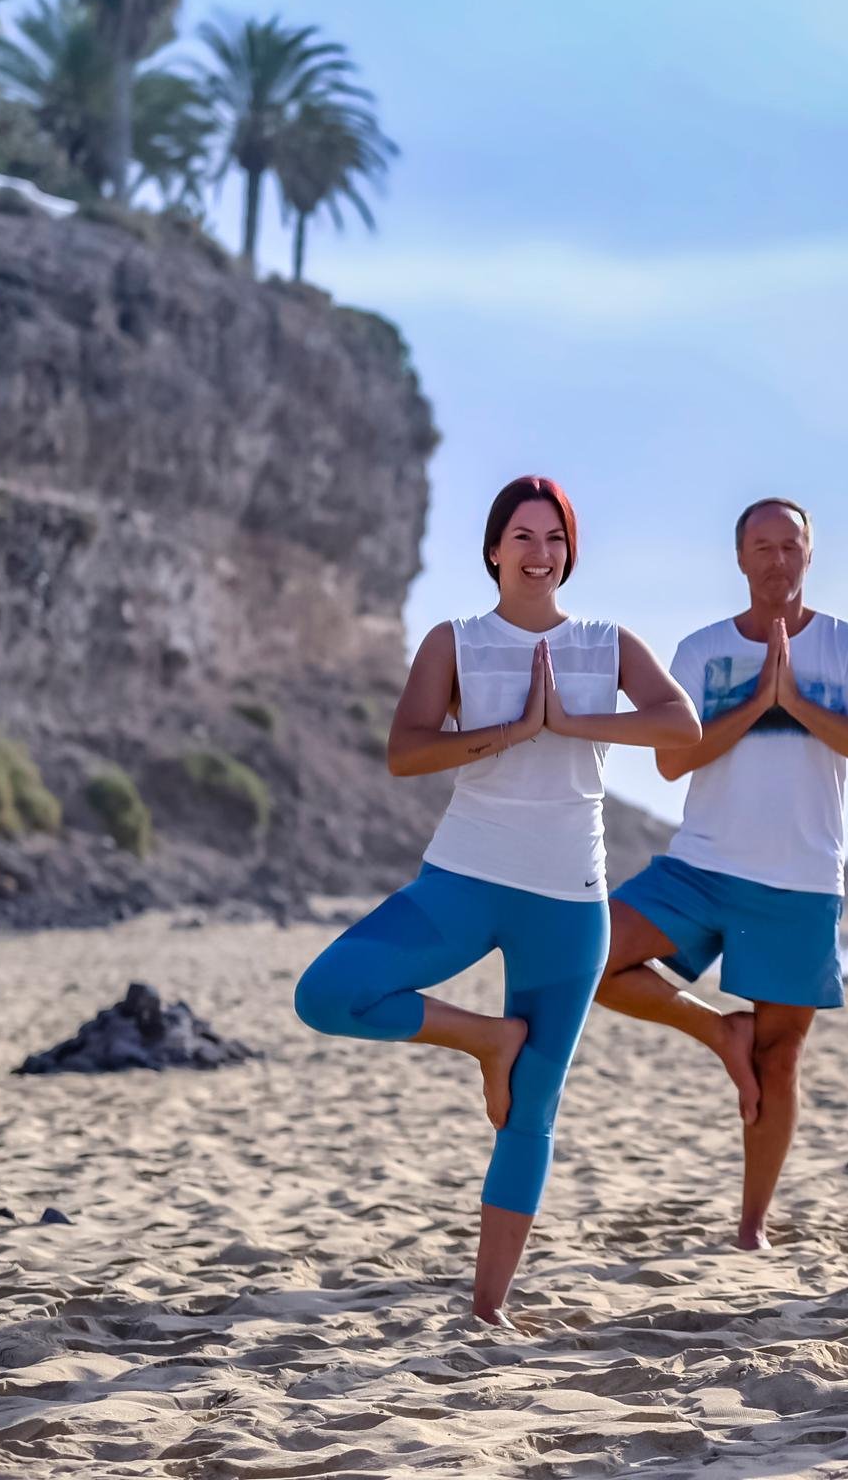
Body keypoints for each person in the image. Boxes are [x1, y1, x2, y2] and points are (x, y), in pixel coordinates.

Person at [294, 476, 700, 1325]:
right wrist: (512, 730)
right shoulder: (457, 641)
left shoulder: (605, 642)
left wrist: (572, 725)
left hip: (570, 898)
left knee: (533, 1109)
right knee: (327, 993)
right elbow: (405, 752)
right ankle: (486, 1038)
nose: (539, 552)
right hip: (466, 878)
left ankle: (487, 1309)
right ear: (492, 550)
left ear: (570, 552)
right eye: (522, 536)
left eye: (554, 538)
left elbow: (682, 726)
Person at [595, 497, 848, 1252]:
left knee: (781, 1057)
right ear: (740, 559)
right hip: (701, 865)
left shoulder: (847, 646)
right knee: (586, 956)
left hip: (800, 879)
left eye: (790, 546)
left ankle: (750, 1227)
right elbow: (673, 758)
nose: (776, 560)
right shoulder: (702, 651)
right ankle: (716, 1030)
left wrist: (794, 702)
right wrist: (756, 700)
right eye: (761, 547)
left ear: (809, 555)